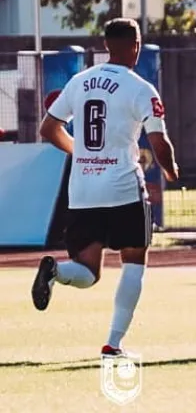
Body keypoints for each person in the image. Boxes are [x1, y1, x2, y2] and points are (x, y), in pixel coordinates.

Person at [32, 18, 180, 358]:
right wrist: (170, 170)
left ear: (105, 46)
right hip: (123, 189)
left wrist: (79, 151)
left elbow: (48, 128)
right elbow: (159, 142)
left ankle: (56, 270)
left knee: (87, 270)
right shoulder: (141, 88)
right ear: (135, 46)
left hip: (83, 190)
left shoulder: (79, 82)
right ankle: (113, 343)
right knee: (134, 262)